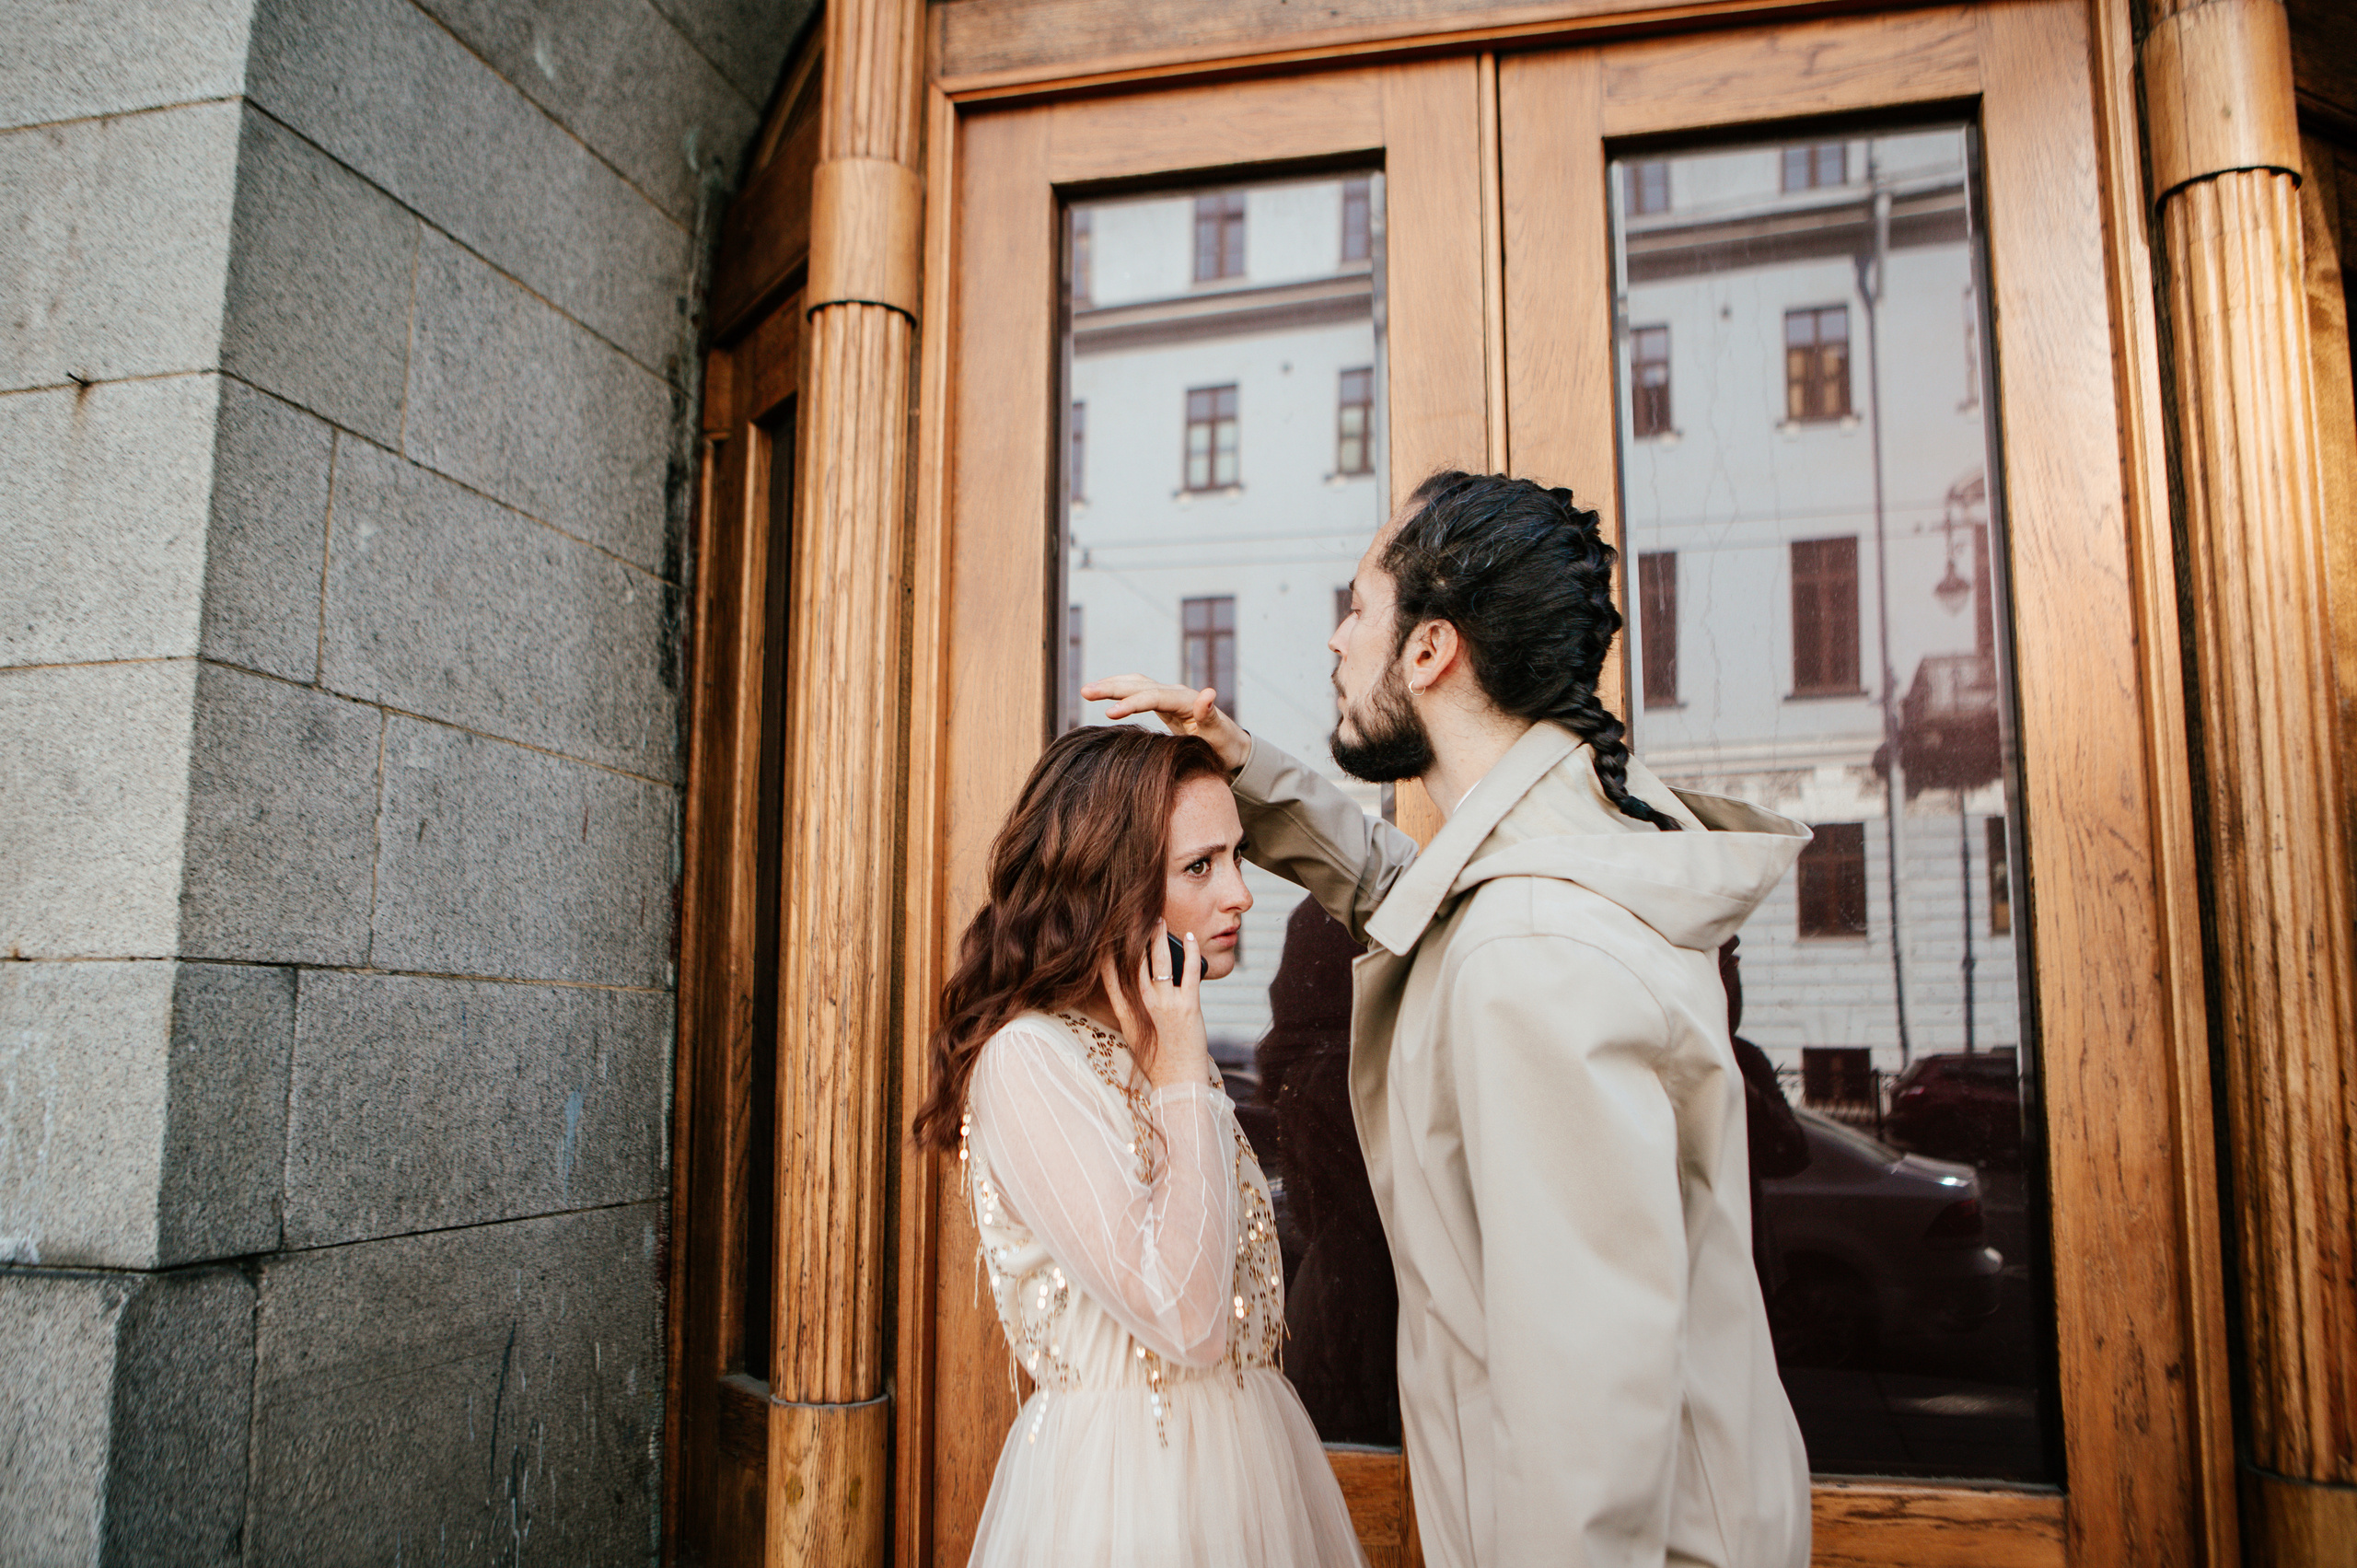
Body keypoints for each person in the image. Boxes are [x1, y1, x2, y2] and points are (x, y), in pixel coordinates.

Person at [1086, 470, 1816, 1568]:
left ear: (1429, 651)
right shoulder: (1566, 854)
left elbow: (1586, 1425)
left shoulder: (1531, 953)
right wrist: (1250, 767)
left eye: (1358, 608)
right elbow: (1415, 892)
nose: (1334, 639)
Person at [909, 724, 1367, 1568]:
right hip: (1127, 1502)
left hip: (1249, 1481)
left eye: (1236, 857)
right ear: (1106, 886)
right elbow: (1187, 1318)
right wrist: (1186, 1060)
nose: (1240, 894)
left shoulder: (1154, 1048)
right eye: (1201, 866)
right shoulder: (1029, 1058)